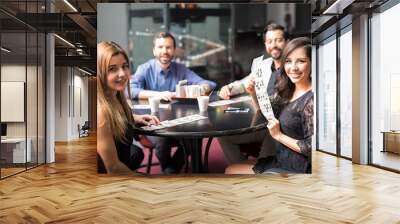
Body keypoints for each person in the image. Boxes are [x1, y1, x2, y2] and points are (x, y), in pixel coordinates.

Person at [130, 32, 217, 174]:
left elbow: (208, 84)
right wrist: (159, 94)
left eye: (168, 47)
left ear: (174, 51)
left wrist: (203, 87)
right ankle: (168, 168)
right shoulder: (145, 69)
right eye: (160, 47)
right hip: (153, 121)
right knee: (163, 137)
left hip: (178, 121)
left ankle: (172, 169)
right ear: (154, 50)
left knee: (194, 135)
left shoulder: (180, 69)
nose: (164, 51)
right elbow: (131, 90)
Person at [225, 37, 313, 174]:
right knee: (233, 168)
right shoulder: (289, 89)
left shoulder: (311, 99)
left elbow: (310, 147)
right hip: (282, 157)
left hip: (296, 167)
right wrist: (253, 93)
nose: (293, 68)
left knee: (231, 171)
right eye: (288, 61)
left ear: (312, 63)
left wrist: (278, 135)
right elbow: (265, 109)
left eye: (301, 61)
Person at [217, 23, 289, 164]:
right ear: (265, 44)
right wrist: (229, 88)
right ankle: (239, 168)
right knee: (223, 134)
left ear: (287, 42)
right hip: (261, 121)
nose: (274, 45)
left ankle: (257, 170)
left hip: (279, 126)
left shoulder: (293, 67)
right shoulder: (263, 65)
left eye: (278, 40)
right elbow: (245, 83)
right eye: (269, 41)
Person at [97, 41, 160, 175]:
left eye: (124, 66)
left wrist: (135, 117)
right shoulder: (101, 111)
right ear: (100, 73)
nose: (122, 74)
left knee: (136, 153)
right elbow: (113, 168)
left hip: (122, 165)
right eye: (112, 69)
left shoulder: (117, 97)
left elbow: (116, 117)